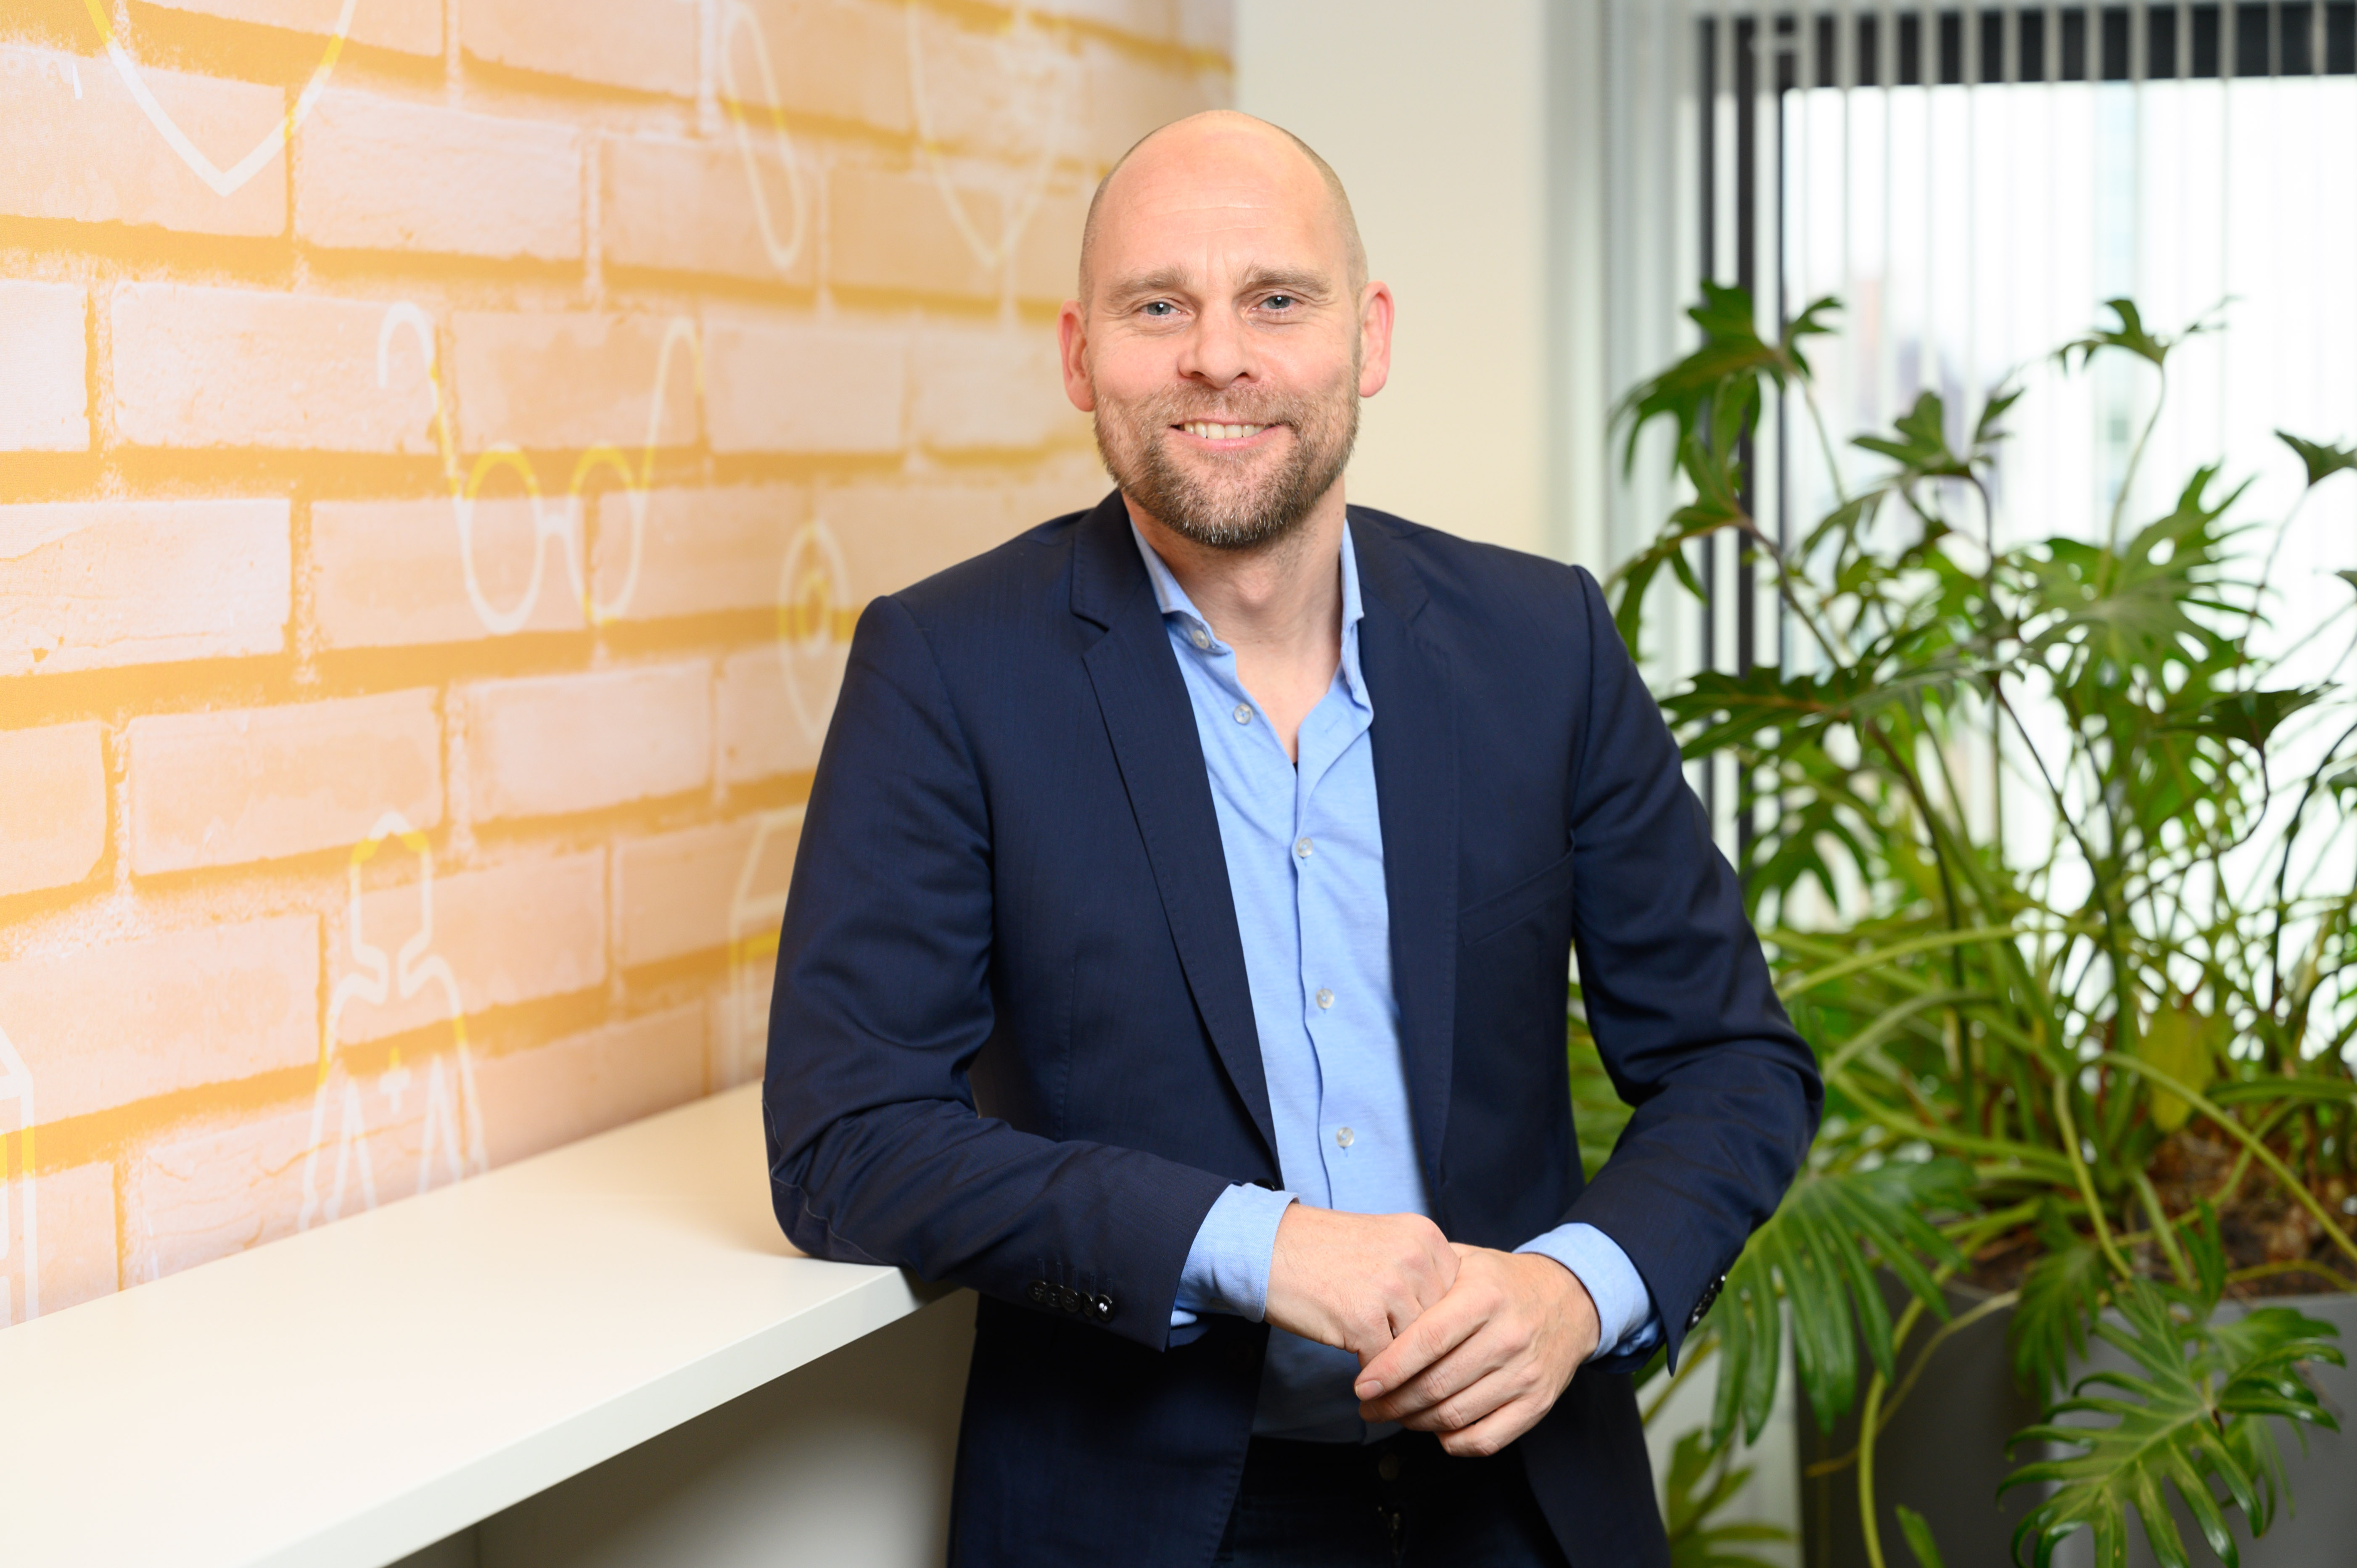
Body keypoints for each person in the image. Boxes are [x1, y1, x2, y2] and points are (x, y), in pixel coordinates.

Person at [762, 110, 1820, 1567]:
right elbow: (848, 1139)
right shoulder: (947, 671)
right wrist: (1256, 1244)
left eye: (1276, 298)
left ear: (1366, 338)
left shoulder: (1545, 644)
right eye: (1158, 306)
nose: (1218, 355)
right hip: (1142, 1515)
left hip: (1519, 1495)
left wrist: (1577, 1290)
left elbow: (1733, 1061)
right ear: (1079, 354)